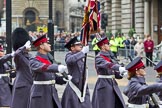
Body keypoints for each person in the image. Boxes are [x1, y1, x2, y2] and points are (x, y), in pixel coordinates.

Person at [29, 35, 67, 108]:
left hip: (51, 94)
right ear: (42, 46)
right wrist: (57, 68)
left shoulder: (48, 60)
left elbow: (53, 77)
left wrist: (63, 79)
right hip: (41, 96)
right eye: (47, 43)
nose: (49, 45)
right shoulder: (34, 60)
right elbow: (43, 67)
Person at [92, 37, 127, 108]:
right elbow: (108, 65)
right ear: (102, 46)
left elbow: (113, 72)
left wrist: (120, 74)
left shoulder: (109, 56)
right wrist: (118, 67)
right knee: (105, 105)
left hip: (112, 83)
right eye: (107, 44)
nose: (109, 45)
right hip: (104, 83)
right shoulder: (99, 57)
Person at [61, 37, 92, 108]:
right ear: (72, 48)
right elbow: (70, 60)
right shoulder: (69, 55)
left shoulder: (81, 56)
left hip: (83, 87)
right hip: (74, 86)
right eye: (78, 45)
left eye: (80, 44)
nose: (80, 46)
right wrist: (82, 52)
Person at [11, 27, 33, 108]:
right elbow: (16, 54)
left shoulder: (29, 56)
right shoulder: (19, 56)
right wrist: (23, 47)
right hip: (22, 88)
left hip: (30, 87)